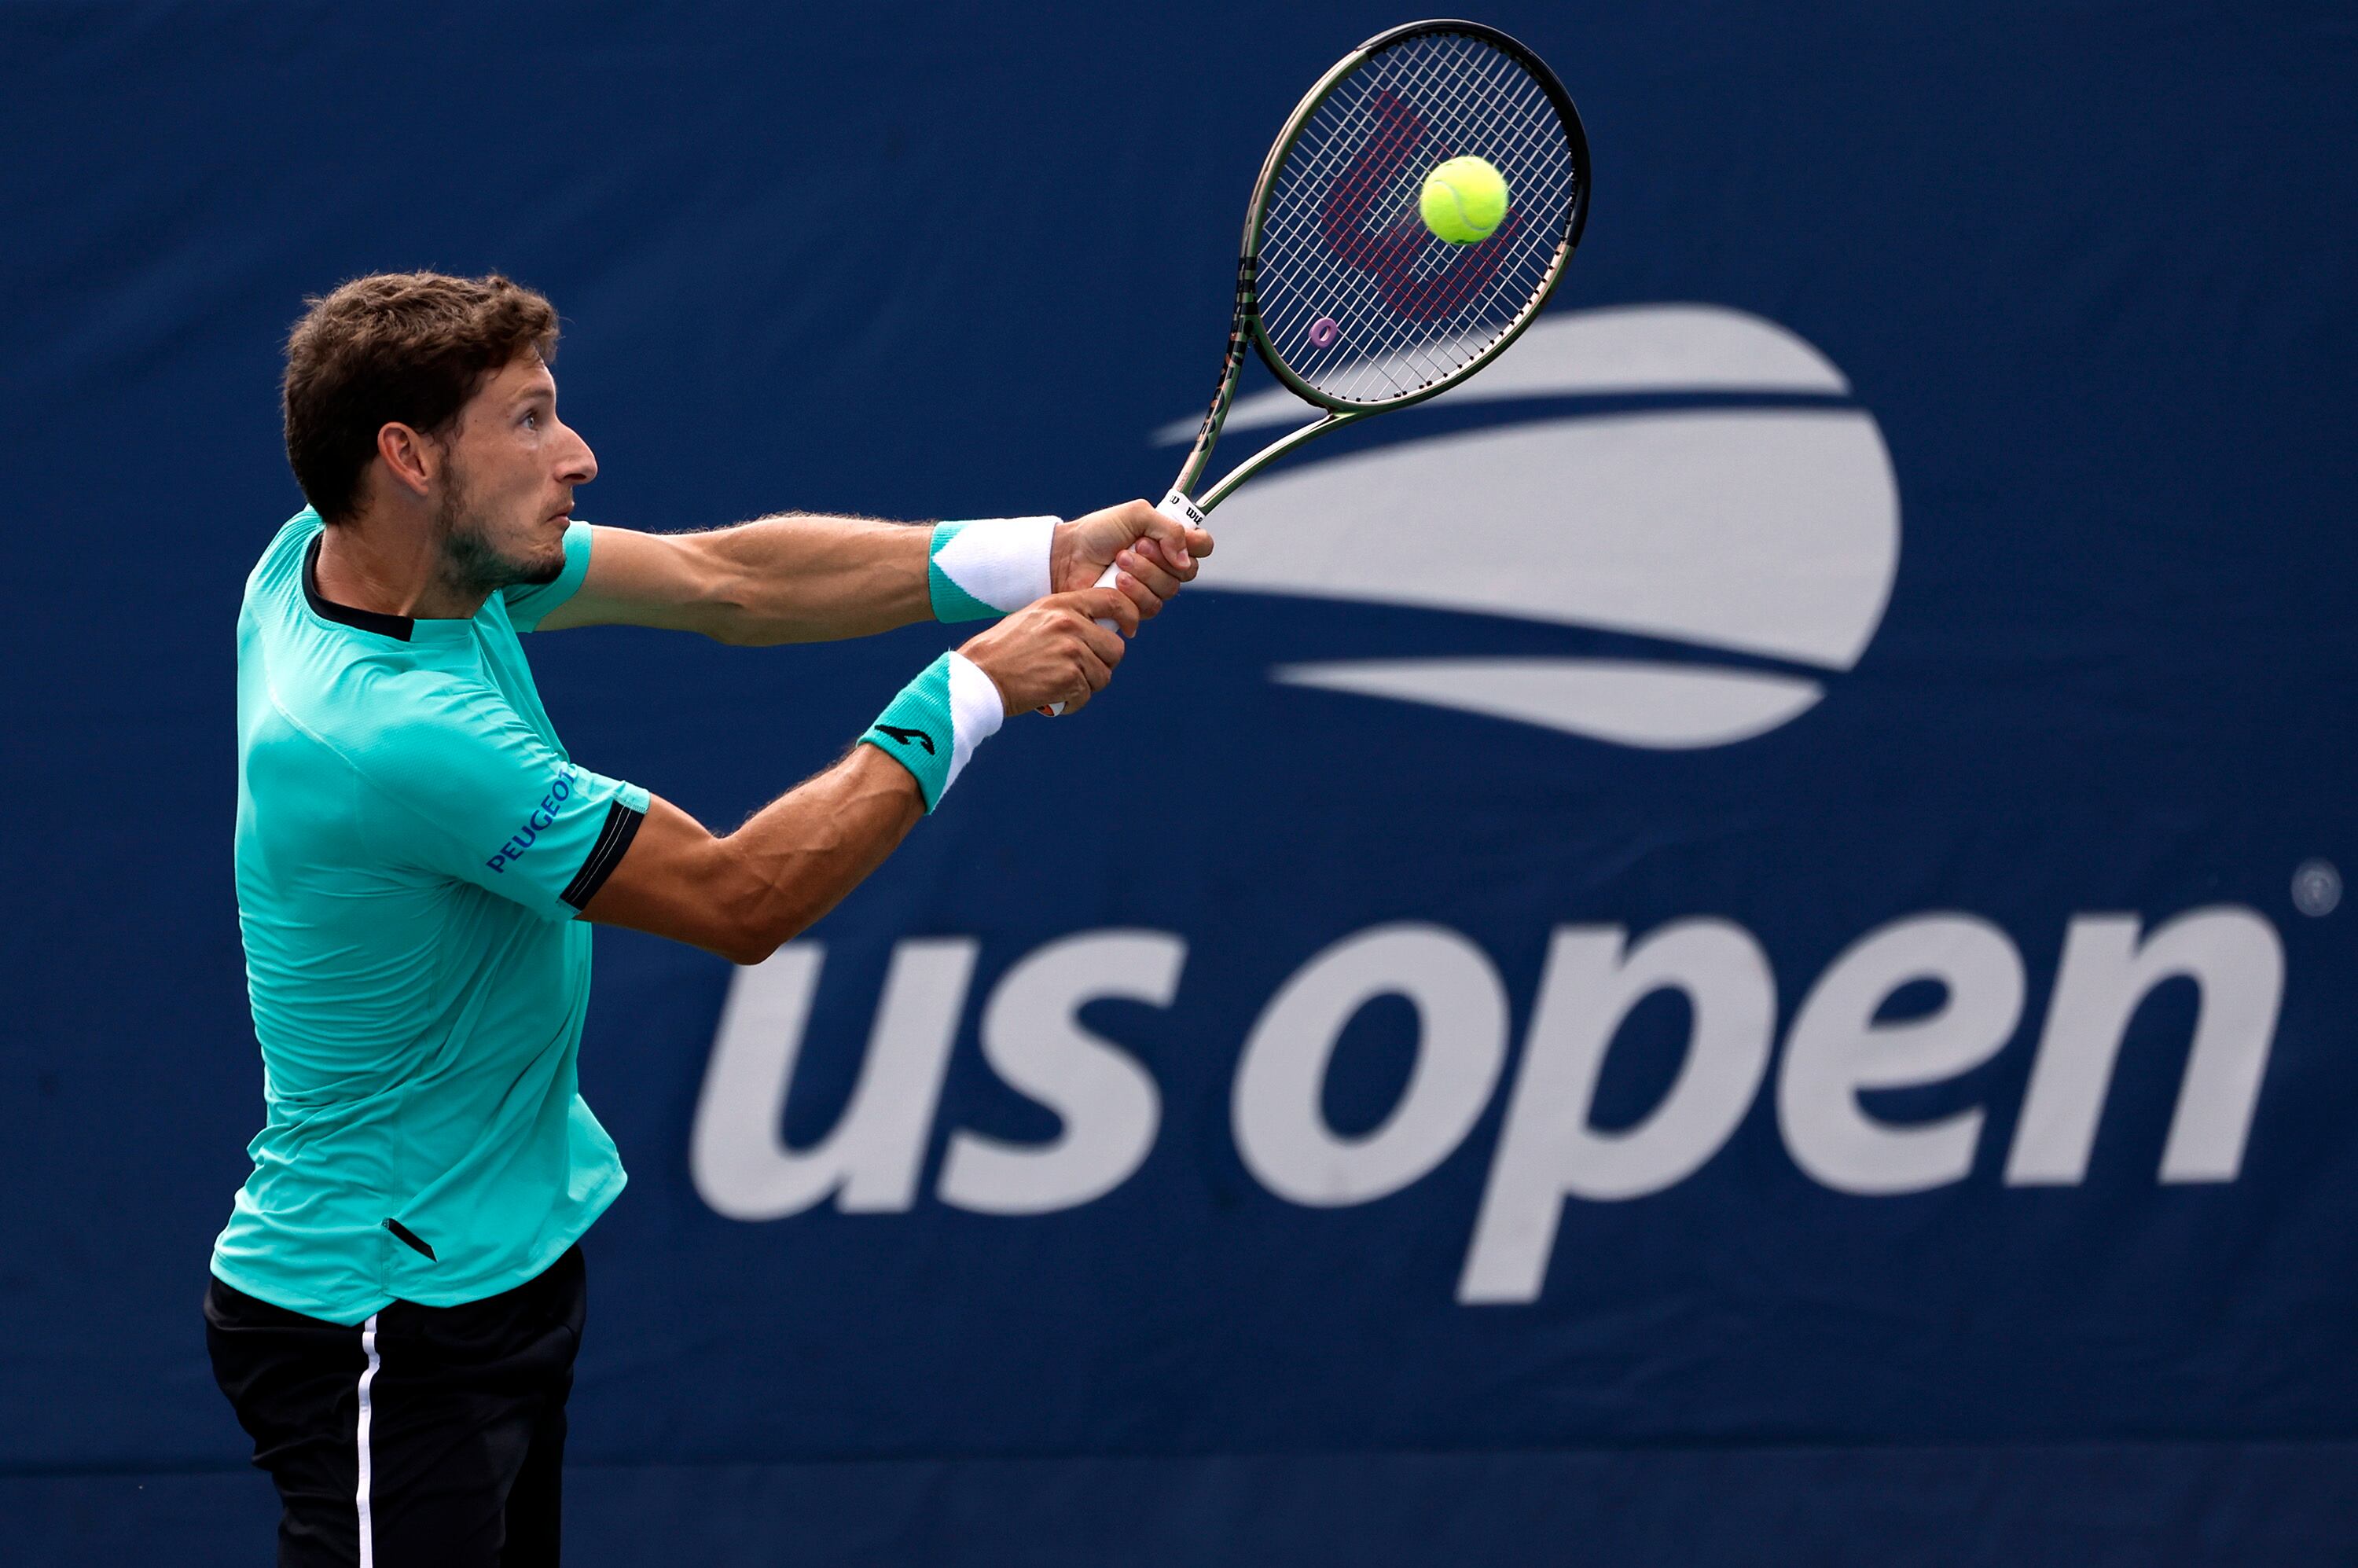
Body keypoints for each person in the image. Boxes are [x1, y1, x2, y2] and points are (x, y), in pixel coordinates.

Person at [203, 270, 1213, 1567]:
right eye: (527, 421)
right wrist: (970, 692)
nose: (577, 454)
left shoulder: (344, 554)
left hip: (494, 1263)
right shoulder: (385, 734)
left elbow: (722, 578)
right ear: (405, 455)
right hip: (376, 1314)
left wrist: (1044, 556)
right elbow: (743, 898)